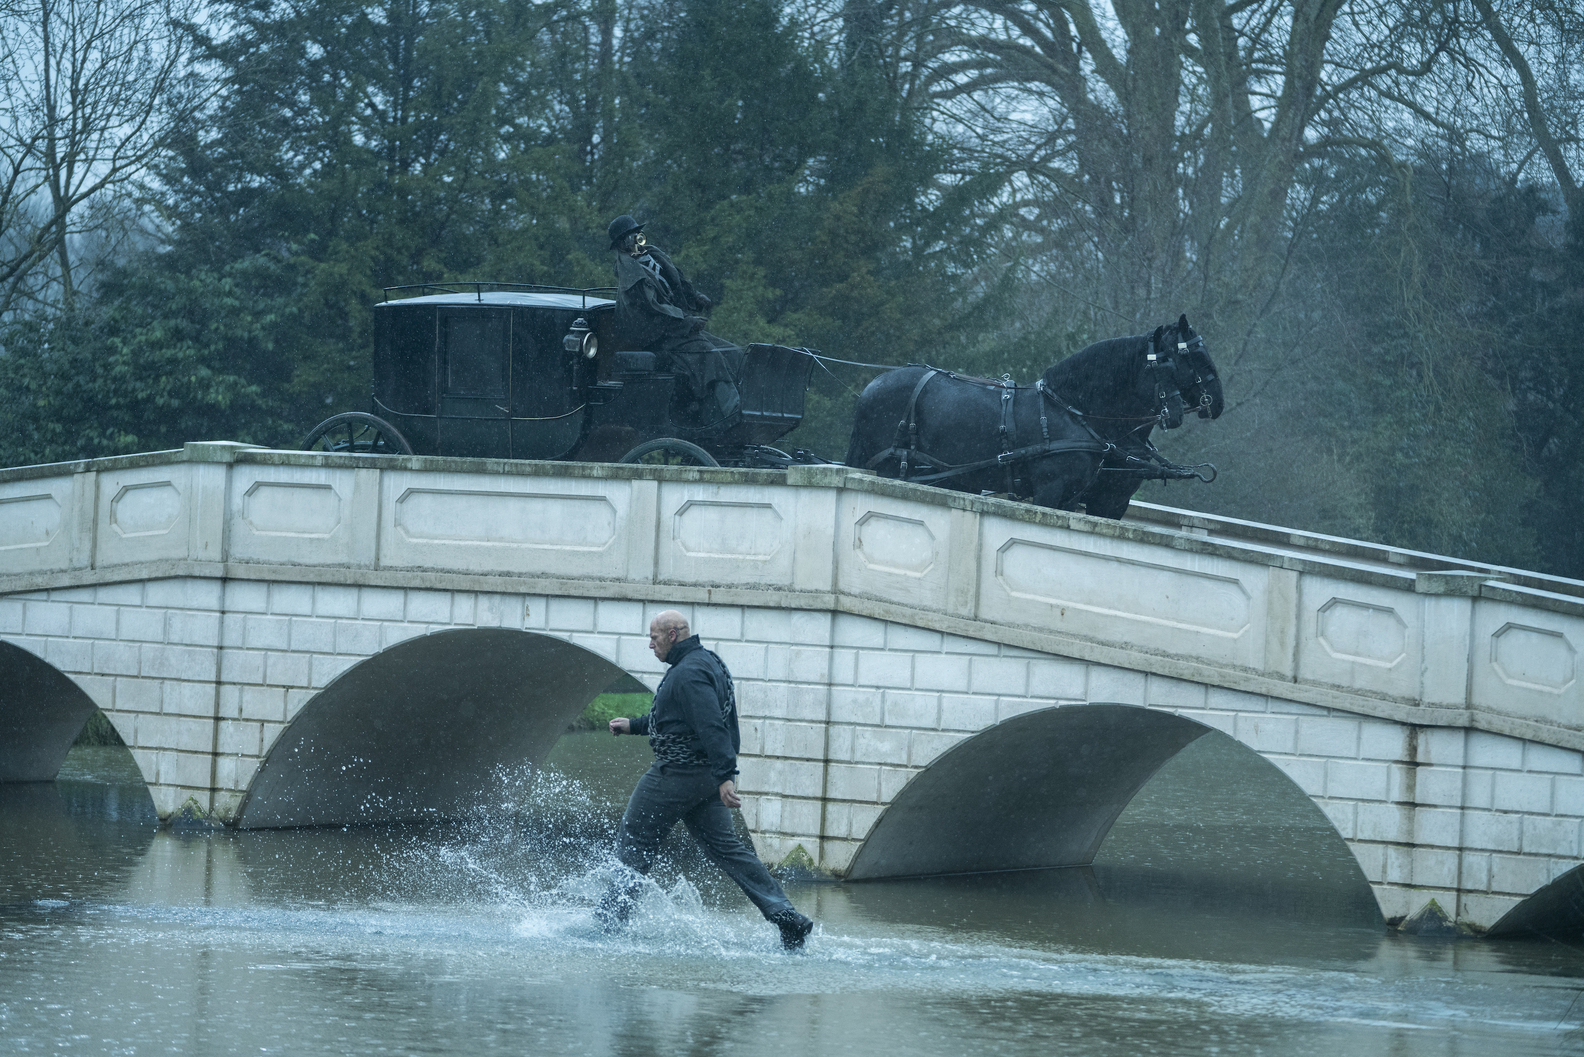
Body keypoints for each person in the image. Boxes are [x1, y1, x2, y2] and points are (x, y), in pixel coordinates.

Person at [599, 609, 815, 950]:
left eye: (654, 638)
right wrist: (634, 725)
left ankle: (608, 923)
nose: (649, 645)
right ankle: (787, 918)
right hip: (704, 779)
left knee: (635, 839)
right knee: (729, 850)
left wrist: (726, 775)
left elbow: (713, 725)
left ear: (672, 635)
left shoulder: (687, 674)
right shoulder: (707, 662)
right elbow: (676, 721)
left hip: (676, 774)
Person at [607, 214, 743, 421]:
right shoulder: (630, 276)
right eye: (629, 237)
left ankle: (740, 408)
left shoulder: (652, 256)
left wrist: (695, 298)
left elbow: (675, 283)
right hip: (658, 336)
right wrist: (686, 321)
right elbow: (653, 310)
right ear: (620, 244)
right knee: (709, 355)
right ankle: (731, 414)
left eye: (637, 234)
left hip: (678, 329)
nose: (635, 240)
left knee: (733, 352)